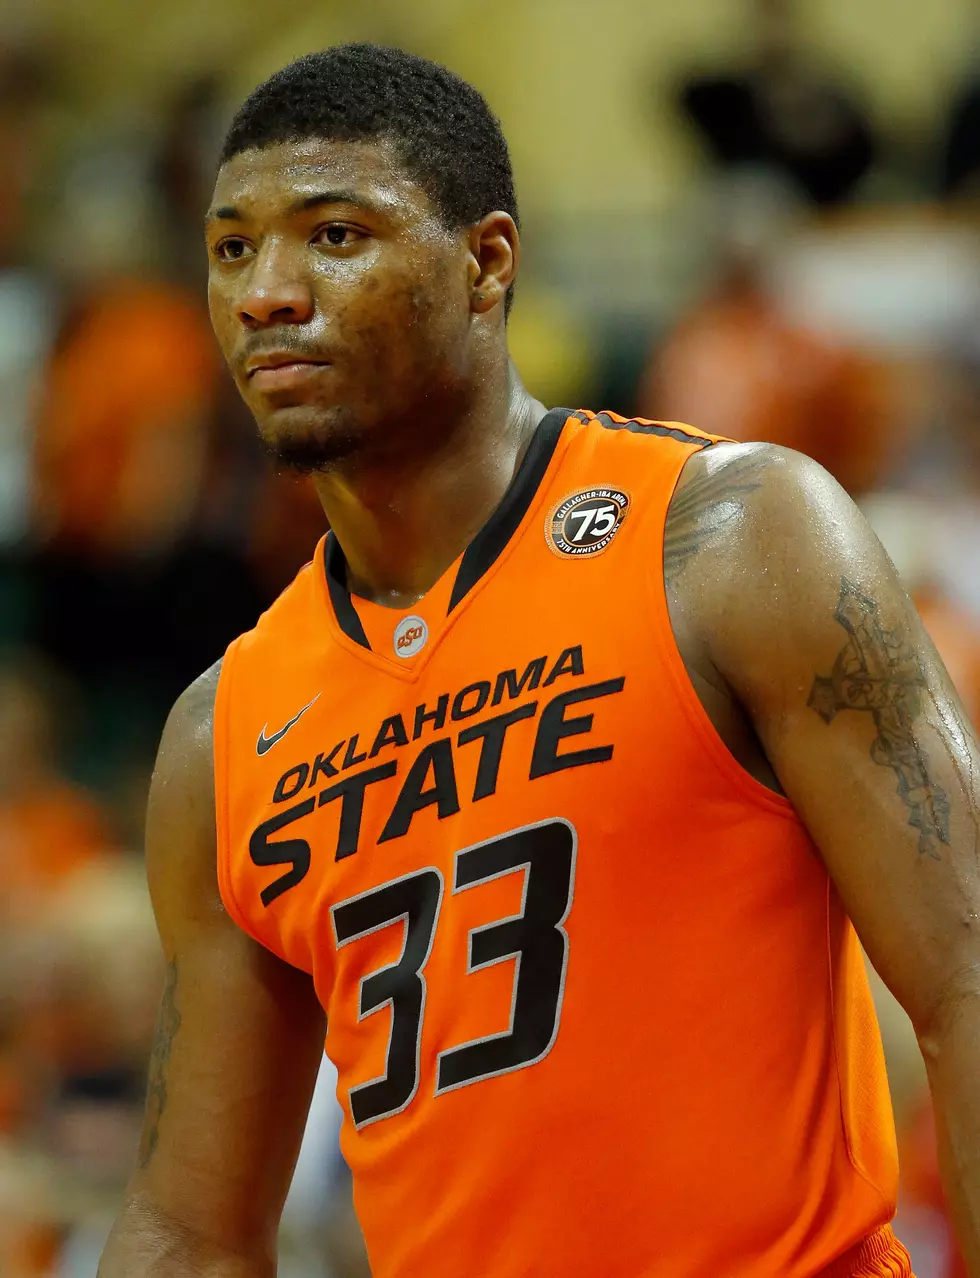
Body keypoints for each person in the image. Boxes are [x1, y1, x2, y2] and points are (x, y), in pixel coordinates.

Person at [98, 44, 980, 1278]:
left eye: (335, 235)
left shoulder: (730, 540)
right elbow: (187, 1230)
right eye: (232, 248)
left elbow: (963, 977)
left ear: (485, 262)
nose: (266, 293)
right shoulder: (223, 735)